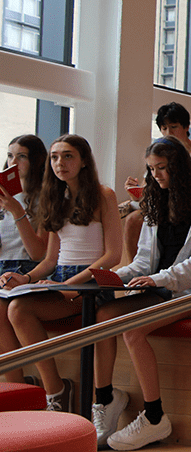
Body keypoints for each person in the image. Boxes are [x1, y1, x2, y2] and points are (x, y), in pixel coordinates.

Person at [92, 137, 191, 450]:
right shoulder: (156, 197)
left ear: (179, 167)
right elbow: (143, 259)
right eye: (152, 169)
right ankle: (106, 400)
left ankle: (154, 417)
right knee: (101, 316)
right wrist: (117, 276)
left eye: (163, 168)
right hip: (160, 287)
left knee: (133, 331)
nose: (156, 175)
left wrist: (159, 279)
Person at [7, 134, 122, 411]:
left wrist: (70, 283)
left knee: (19, 310)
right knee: (12, 307)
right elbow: (49, 260)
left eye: (68, 156)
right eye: (55, 157)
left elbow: (112, 256)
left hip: (91, 282)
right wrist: (27, 278)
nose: (60, 163)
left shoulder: (103, 194)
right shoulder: (55, 196)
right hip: (61, 278)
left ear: (84, 161)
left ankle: (57, 394)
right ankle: (50, 390)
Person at [123, 102, 191, 263]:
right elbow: (152, 189)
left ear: (187, 127)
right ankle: (137, 272)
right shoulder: (156, 154)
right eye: (164, 128)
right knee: (132, 218)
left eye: (173, 127)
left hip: (187, 208)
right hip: (163, 204)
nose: (168, 133)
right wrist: (136, 193)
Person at [0, 135, 49, 384]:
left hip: (28, 268)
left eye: (21, 156)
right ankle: (15, 387)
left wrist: (17, 212)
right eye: (10, 156)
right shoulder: (2, 195)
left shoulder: (43, 198)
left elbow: (38, 254)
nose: (13, 162)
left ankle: (15, 388)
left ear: (36, 161)